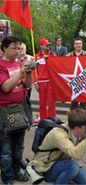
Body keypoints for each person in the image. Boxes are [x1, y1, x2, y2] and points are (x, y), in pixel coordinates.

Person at [31, 109, 86, 184]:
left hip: (65, 165)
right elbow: (75, 154)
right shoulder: (58, 133)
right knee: (73, 166)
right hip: (46, 168)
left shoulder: (80, 131)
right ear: (77, 128)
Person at [0, 36, 32, 185]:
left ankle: (16, 171)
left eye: (19, 48)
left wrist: (29, 72)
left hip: (19, 108)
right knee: (6, 150)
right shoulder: (1, 65)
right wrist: (20, 72)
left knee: (18, 147)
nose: (17, 51)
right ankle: (7, 178)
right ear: (4, 48)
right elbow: (6, 87)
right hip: (5, 111)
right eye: (14, 48)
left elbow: (27, 85)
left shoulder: (19, 64)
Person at [33, 38, 56, 121]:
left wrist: (49, 59)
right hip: (41, 82)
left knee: (51, 102)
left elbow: (56, 66)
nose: (48, 46)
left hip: (50, 81)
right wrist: (35, 82)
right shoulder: (36, 56)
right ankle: (43, 120)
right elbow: (34, 71)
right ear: (41, 46)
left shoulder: (52, 54)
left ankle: (52, 119)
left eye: (48, 45)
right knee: (42, 103)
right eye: (46, 45)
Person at [67, 38, 86, 111]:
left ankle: (83, 120)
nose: (78, 45)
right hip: (73, 80)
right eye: (76, 43)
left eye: (80, 43)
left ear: (82, 44)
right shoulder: (68, 56)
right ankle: (73, 120)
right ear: (74, 45)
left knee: (83, 103)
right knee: (73, 103)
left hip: (84, 80)